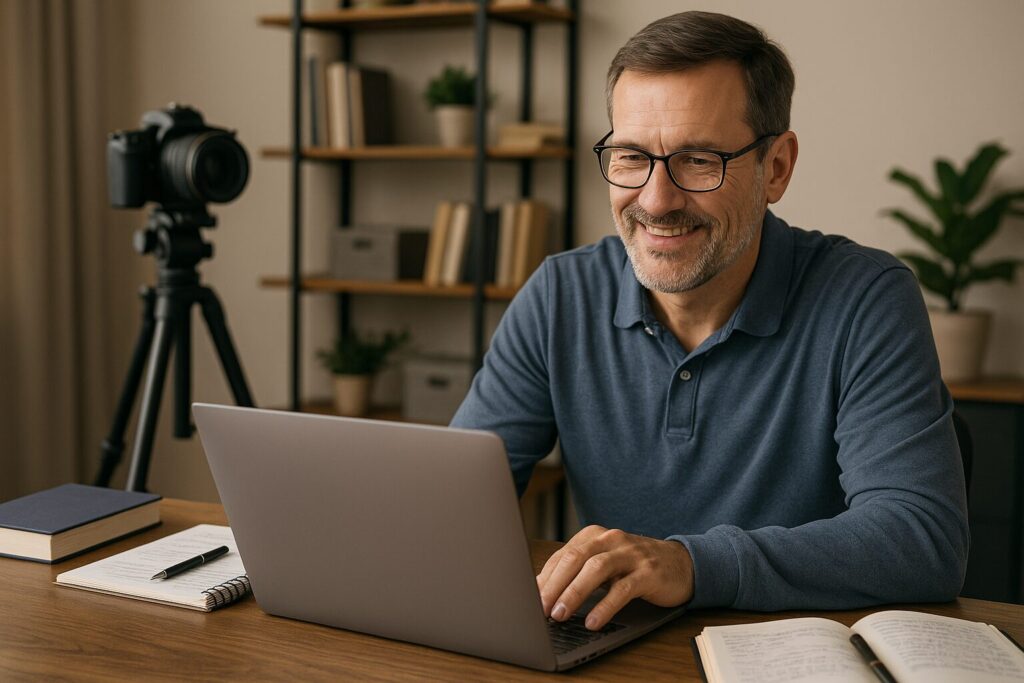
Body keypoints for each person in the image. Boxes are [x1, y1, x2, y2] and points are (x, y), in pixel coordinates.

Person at [451, 11, 969, 631]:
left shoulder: (866, 298)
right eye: (630, 157)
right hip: (614, 649)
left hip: (794, 656)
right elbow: (453, 507)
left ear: (775, 167)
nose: (655, 200)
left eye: (698, 160)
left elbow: (922, 539)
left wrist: (692, 564)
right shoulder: (559, 293)